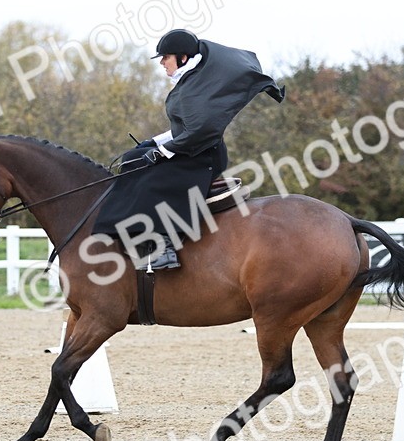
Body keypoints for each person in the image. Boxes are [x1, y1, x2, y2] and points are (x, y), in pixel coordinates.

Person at [92, 29, 285, 270]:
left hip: (202, 155)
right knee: (133, 159)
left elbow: (201, 131)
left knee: (154, 180)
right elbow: (183, 128)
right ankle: (126, 230)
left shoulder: (195, 88)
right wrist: (153, 142)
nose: (162, 62)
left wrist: (164, 151)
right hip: (189, 149)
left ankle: (165, 246)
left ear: (183, 57)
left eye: (166, 57)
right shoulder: (188, 82)